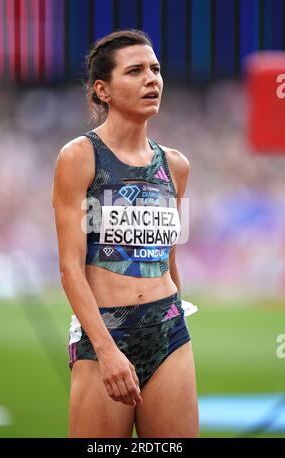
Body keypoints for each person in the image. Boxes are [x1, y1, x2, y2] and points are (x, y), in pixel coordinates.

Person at [52, 29, 199, 438]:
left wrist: (175, 320)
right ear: (103, 90)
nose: (152, 79)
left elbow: (169, 258)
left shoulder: (176, 166)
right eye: (135, 71)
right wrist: (105, 349)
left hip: (168, 329)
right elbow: (69, 268)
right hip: (105, 330)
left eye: (155, 69)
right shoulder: (79, 157)